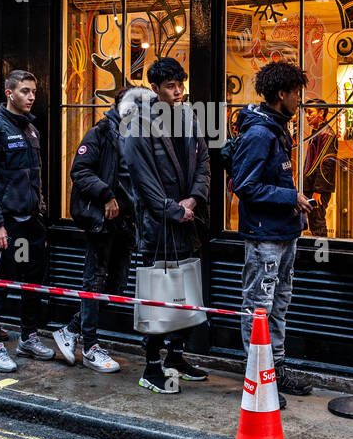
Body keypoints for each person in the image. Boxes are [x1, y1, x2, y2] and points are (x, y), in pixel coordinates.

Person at [120, 57, 211, 394]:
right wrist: (172, 209)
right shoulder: (137, 124)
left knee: (185, 293)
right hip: (156, 226)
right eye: (171, 86)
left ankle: (176, 356)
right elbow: (141, 181)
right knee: (157, 296)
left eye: (180, 84)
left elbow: (204, 161)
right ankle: (151, 366)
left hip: (188, 221)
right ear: (155, 88)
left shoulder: (189, 118)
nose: (178, 91)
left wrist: (194, 199)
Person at [230, 60, 316, 408]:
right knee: (259, 308)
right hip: (265, 237)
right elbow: (245, 185)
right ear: (281, 94)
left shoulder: (279, 129)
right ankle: (257, 381)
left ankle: (276, 370)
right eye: (297, 94)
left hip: (284, 232)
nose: (300, 100)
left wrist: (292, 203)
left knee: (279, 305)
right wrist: (289, 197)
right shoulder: (259, 134)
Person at [0, 70, 54, 371]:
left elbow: (36, 176)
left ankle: (28, 337)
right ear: (9, 93)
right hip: (7, 223)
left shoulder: (31, 130)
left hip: (31, 222)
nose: (31, 97)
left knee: (32, 281)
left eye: (33, 91)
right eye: (24, 91)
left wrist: (41, 210)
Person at [55, 88, 133, 373]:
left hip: (127, 223)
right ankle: (89, 345)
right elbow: (81, 170)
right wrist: (106, 195)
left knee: (116, 287)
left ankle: (70, 330)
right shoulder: (101, 133)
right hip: (103, 221)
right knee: (95, 282)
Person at [302, 99, 337, 238]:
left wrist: (318, 191)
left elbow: (326, 164)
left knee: (318, 223)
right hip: (312, 186)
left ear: (321, 112)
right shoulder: (317, 132)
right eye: (306, 112)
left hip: (317, 188)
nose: (307, 116)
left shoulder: (326, 134)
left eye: (310, 112)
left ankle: (322, 257)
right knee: (314, 222)